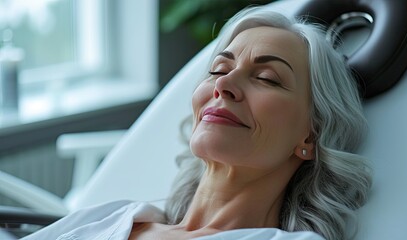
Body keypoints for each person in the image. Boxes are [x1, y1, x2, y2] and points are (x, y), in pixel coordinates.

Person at [22, 6, 371, 240]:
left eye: (267, 78)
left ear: (311, 134)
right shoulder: (113, 219)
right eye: (219, 69)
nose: (223, 84)